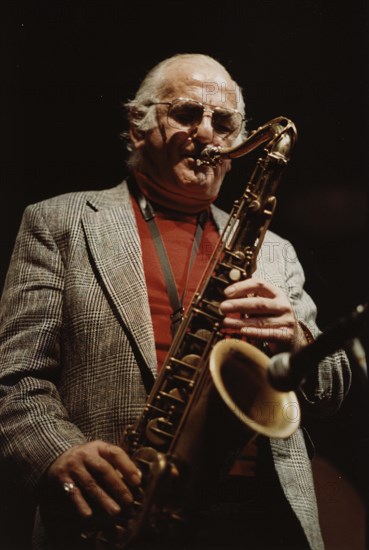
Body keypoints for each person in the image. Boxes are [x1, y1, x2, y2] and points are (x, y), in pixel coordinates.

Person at [0, 53, 351, 550]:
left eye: (224, 122)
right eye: (187, 114)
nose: (207, 133)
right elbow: (15, 380)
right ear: (137, 125)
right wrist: (57, 454)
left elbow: (331, 390)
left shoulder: (275, 251)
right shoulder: (60, 222)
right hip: (118, 511)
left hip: (258, 517)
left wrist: (295, 335)